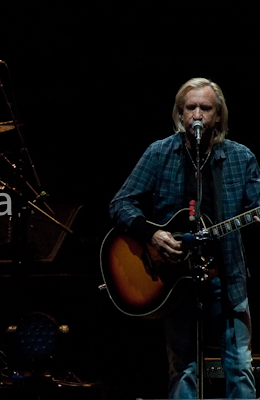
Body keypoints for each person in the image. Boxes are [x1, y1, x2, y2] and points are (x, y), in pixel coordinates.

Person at [109, 77, 258, 398]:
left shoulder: (241, 157)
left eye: (206, 108)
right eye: (191, 108)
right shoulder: (160, 153)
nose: (198, 115)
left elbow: (254, 210)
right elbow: (120, 204)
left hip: (227, 279)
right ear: (180, 113)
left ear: (219, 116)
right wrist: (153, 235)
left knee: (239, 365)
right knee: (184, 367)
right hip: (175, 282)